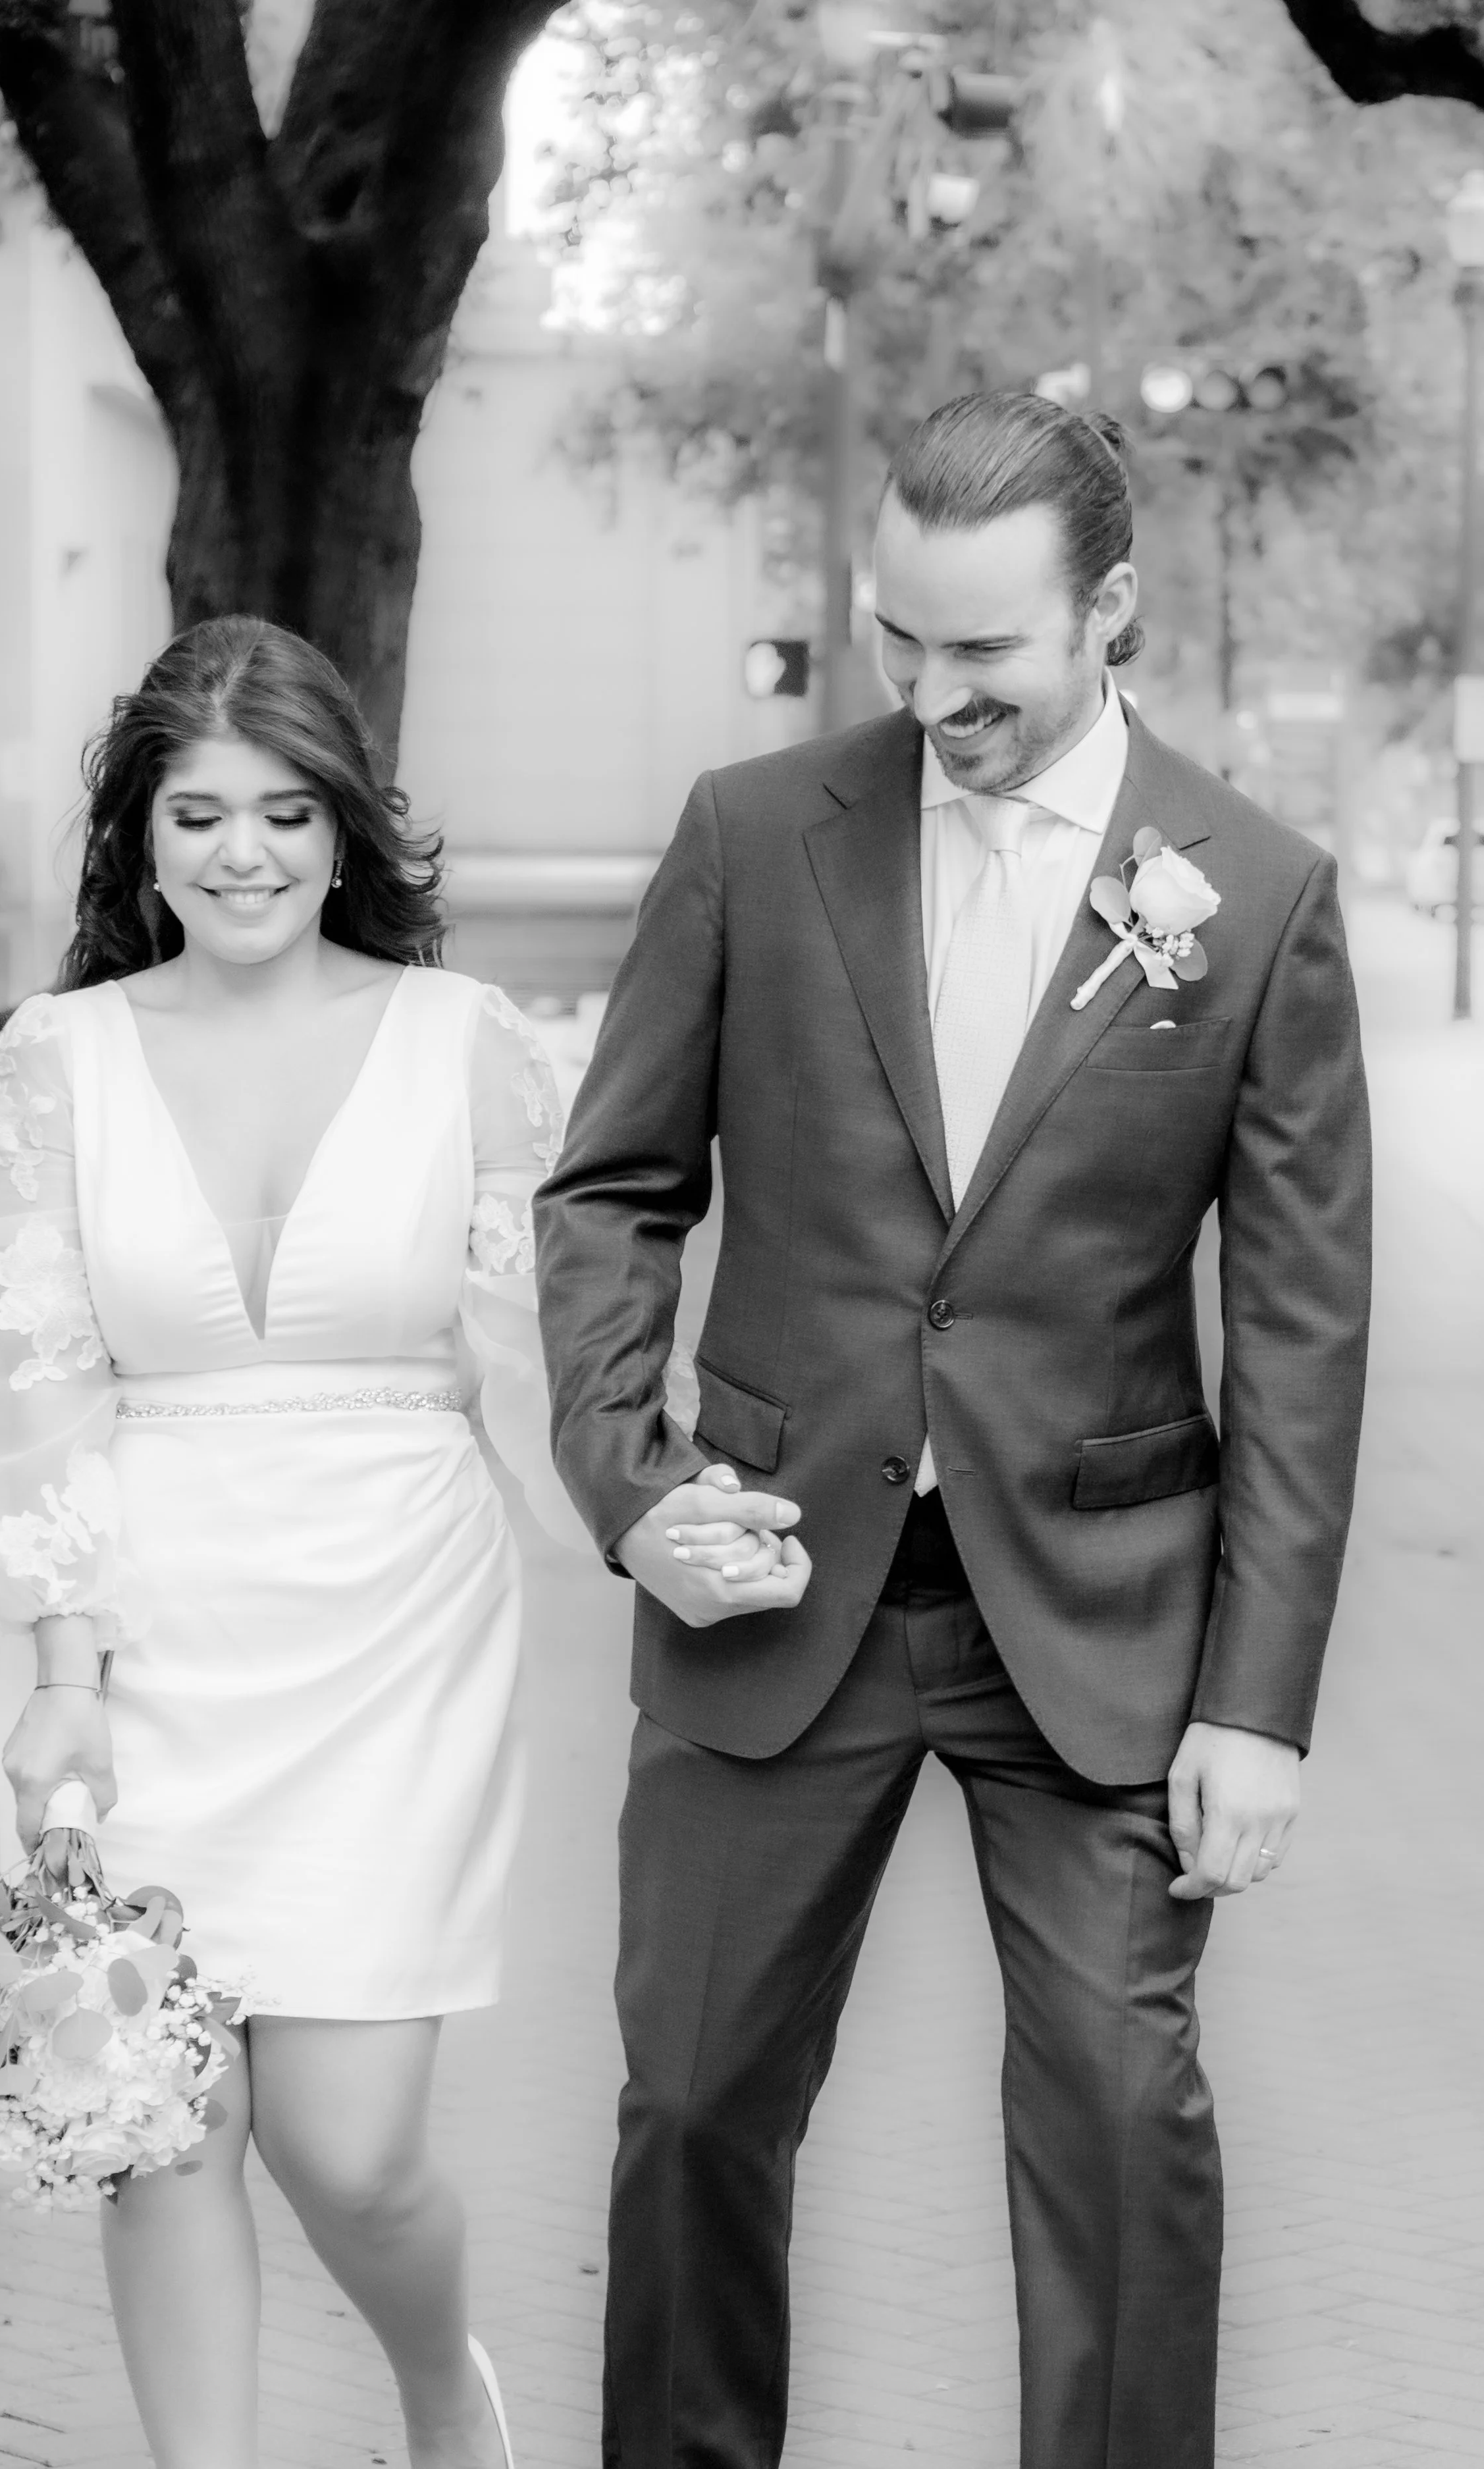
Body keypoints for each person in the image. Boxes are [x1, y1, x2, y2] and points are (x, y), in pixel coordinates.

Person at [534, 391, 1373, 2469]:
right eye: (895, 637)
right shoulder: (752, 829)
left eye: (981, 648)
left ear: (1107, 611)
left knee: (1113, 2125)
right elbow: (610, 1193)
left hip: (1093, 1621)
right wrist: (634, 1490)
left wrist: (1255, 1707)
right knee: (698, 2103)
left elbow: (1296, 1331)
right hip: (771, 1595)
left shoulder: (1252, 895)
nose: (931, 691)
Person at [0, 615, 585, 2469]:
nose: (244, 853)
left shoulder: (466, 1041)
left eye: (287, 812)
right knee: (161, 2120)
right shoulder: (58, 1053)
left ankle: (441, 2382)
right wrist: (60, 1670)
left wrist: (657, 1521)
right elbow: (30, 1370)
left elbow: (549, 1351)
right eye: (199, 811)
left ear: (345, 827)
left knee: (348, 2147)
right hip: (147, 1617)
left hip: (395, 1617)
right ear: (139, 836)